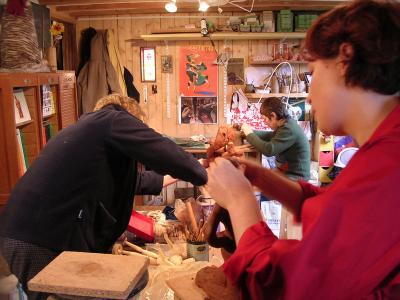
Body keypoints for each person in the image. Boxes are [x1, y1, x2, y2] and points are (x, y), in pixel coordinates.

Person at [203, 1, 400, 299]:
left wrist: (240, 199)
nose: (308, 95)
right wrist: (256, 176)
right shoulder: (384, 149)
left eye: (312, 71)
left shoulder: (390, 163)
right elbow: (332, 209)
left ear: (345, 59)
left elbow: (285, 286)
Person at [0, 94, 207, 299]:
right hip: (37, 239)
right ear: (132, 118)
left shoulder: (93, 142)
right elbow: (161, 149)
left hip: (31, 235)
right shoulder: (112, 119)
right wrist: (201, 173)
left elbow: (139, 181)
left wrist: (199, 166)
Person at [241, 97, 310, 180]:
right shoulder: (286, 125)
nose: (265, 122)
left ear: (273, 116)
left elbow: (269, 150)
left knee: (262, 183)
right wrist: (246, 132)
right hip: (288, 173)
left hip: (297, 178)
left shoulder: (289, 129)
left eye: (265, 119)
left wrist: (249, 134)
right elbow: (269, 135)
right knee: (263, 179)